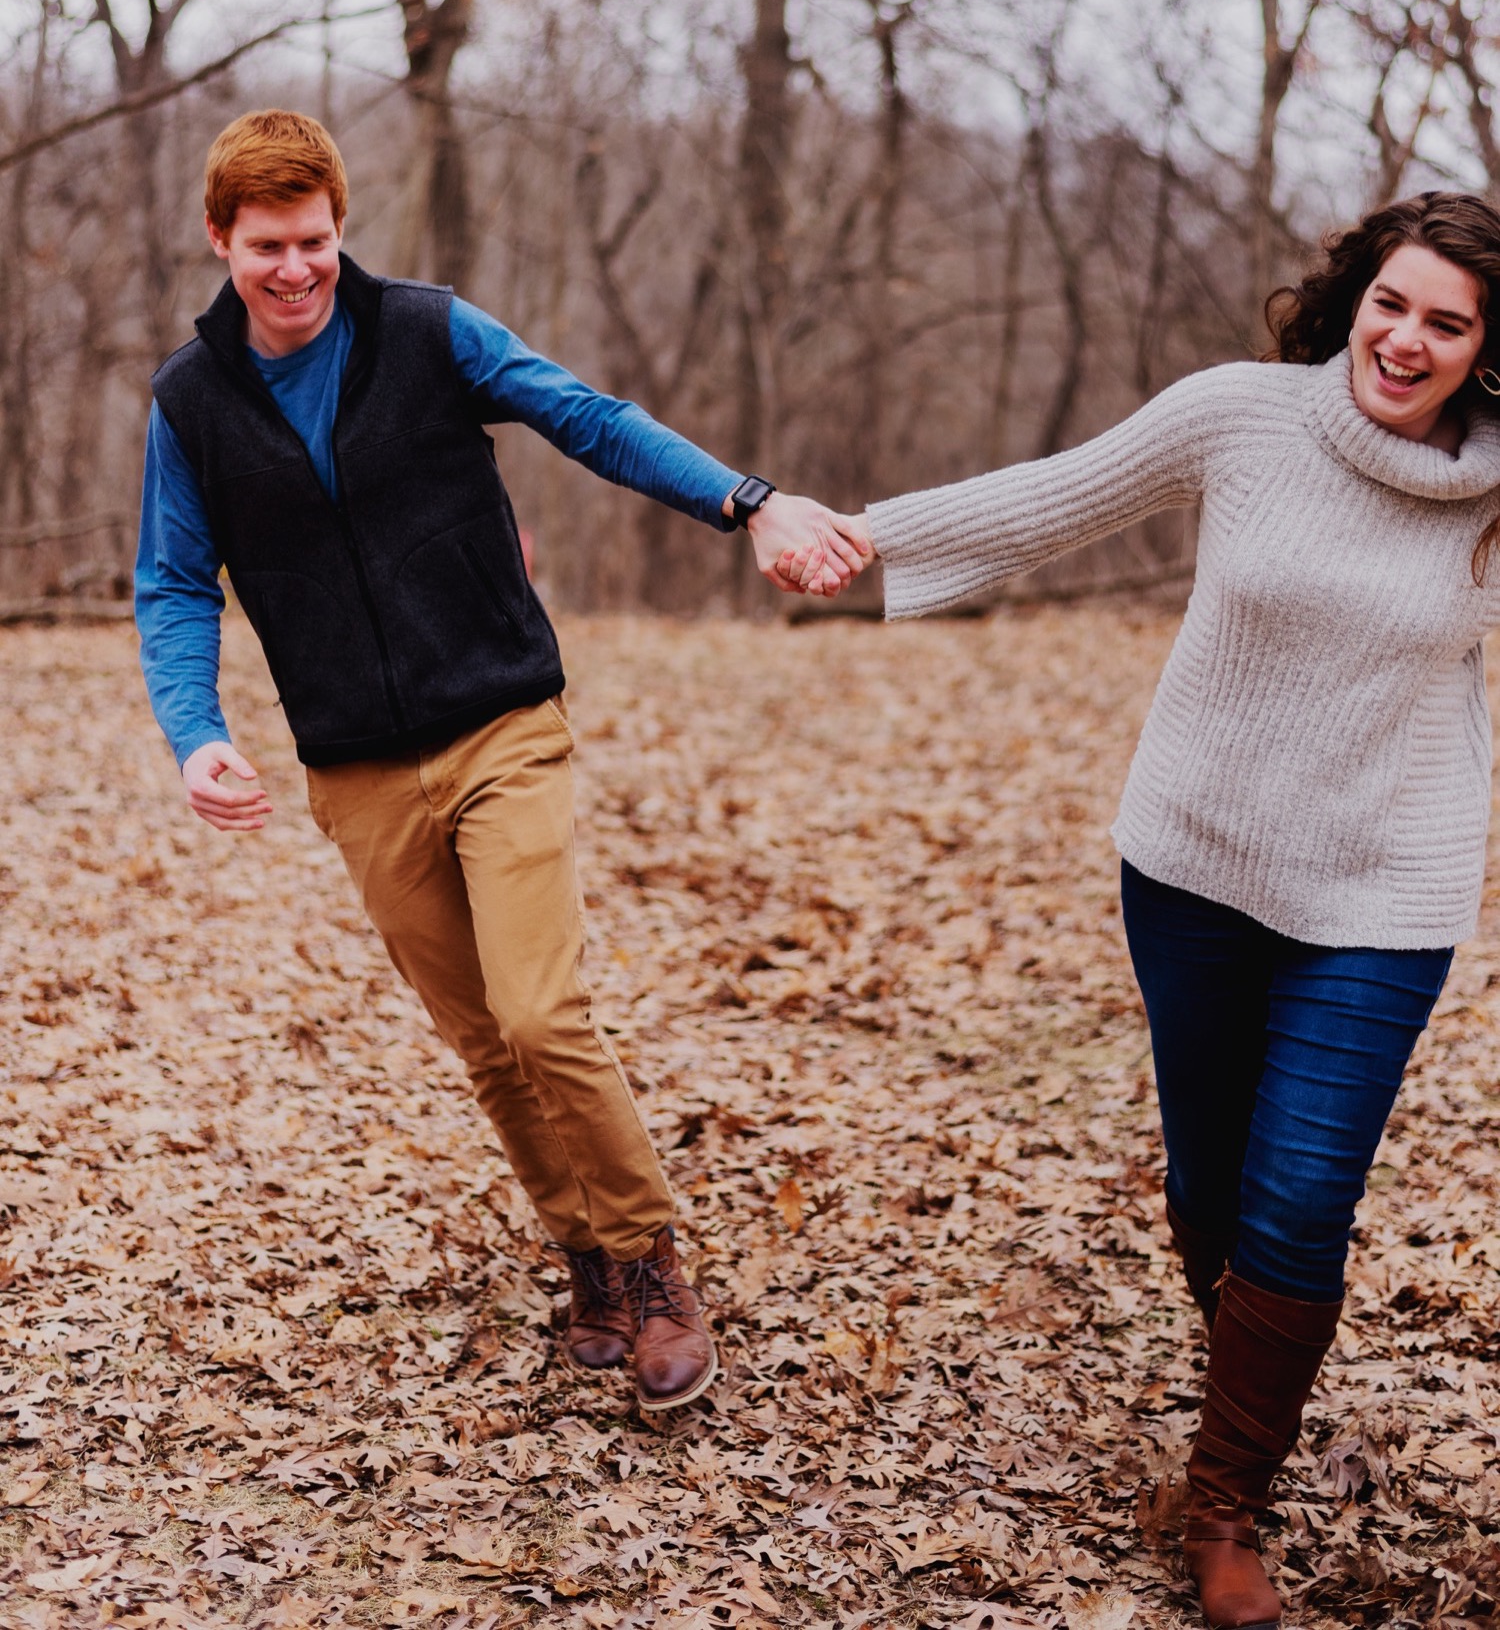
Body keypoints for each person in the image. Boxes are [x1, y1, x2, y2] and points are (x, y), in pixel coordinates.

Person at [811, 192, 1500, 1627]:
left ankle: (1225, 1499)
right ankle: (1253, 1369)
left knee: (1303, 1194)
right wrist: (866, 537)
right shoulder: (1243, 418)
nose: (1405, 337)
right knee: (1212, 1195)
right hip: (1196, 857)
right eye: (1391, 301)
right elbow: (1058, 495)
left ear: (1485, 350)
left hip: (1387, 878)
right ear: (1353, 298)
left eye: (1446, 320)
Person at [135, 107, 869, 1413]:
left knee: (543, 1011)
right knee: (481, 1038)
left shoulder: (425, 331)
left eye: (313, 240)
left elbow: (586, 417)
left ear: (339, 226)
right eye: (266, 247)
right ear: (220, 239)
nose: (294, 268)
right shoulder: (191, 404)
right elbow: (175, 581)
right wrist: (196, 735)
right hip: (356, 769)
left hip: (498, 725)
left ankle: (650, 1259)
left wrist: (746, 501)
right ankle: (581, 1251)